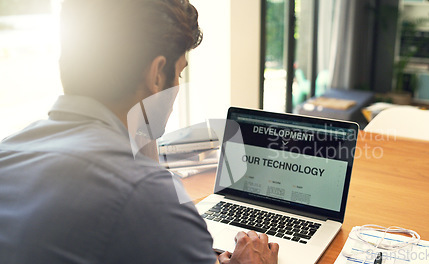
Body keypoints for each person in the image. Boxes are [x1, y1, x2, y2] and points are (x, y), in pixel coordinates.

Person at [0, 0, 278, 263]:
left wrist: (142, 138)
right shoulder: (150, 199)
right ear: (157, 75)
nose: (178, 87)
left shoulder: (9, 152)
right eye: (179, 73)